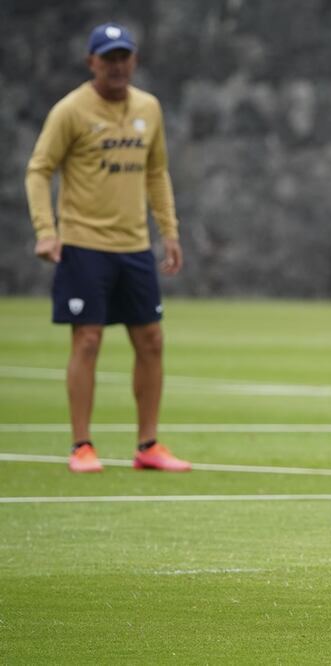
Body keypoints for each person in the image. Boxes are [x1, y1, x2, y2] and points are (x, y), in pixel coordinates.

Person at [25, 22, 191, 474]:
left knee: (152, 340)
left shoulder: (148, 108)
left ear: (133, 61)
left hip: (134, 245)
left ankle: (148, 445)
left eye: (124, 57)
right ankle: (82, 445)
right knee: (88, 338)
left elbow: (156, 172)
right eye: (109, 58)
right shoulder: (71, 111)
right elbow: (39, 170)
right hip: (83, 243)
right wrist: (46, 228)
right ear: (91, 62)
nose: (117, 66)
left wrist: (169, 232)